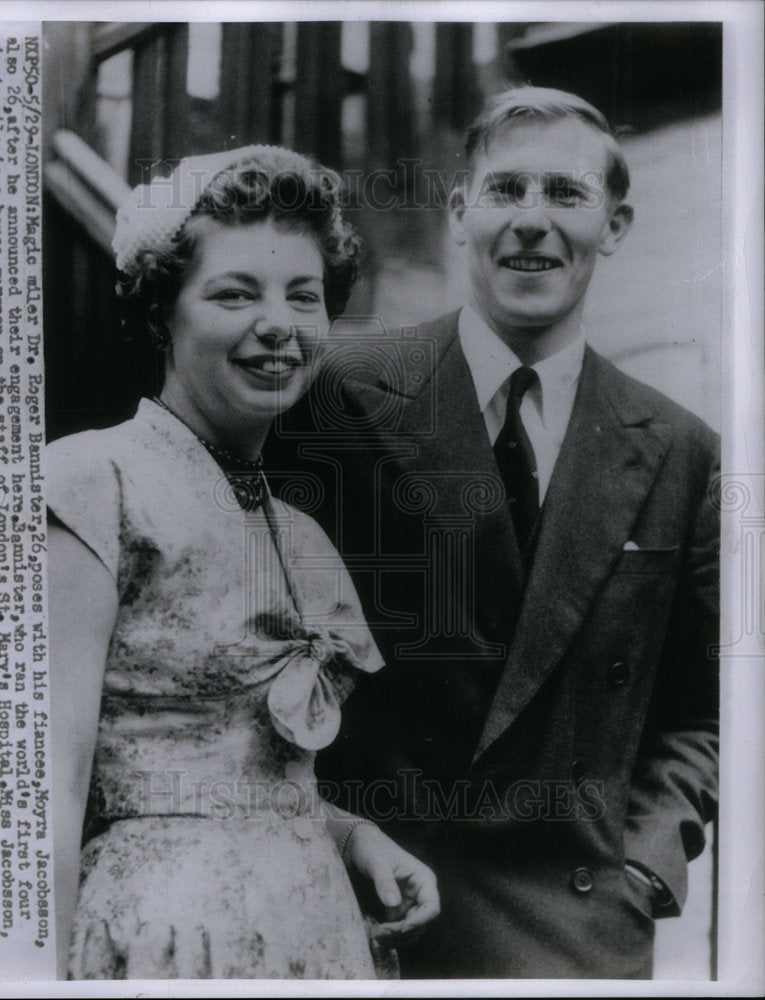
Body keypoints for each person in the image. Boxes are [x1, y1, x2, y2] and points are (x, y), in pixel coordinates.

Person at [267, 88, 720, 978]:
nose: (531, 222)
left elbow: (700, 710)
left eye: (565, 194)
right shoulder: (340, 393)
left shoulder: (679, 451)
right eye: (506, 190)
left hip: (576, 925)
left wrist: (645, 863)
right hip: (368, 905)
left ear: (615, 224)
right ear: (458, 210)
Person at [47, 145, 439, 980]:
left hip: (316, 932)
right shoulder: (91, 481)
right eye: (234, 293)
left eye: (304, 296)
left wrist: (355, 836)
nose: (278, 325)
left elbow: (253, 774)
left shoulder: (298, 533)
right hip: (163, 944)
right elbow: (43, 793)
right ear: (164, 312)